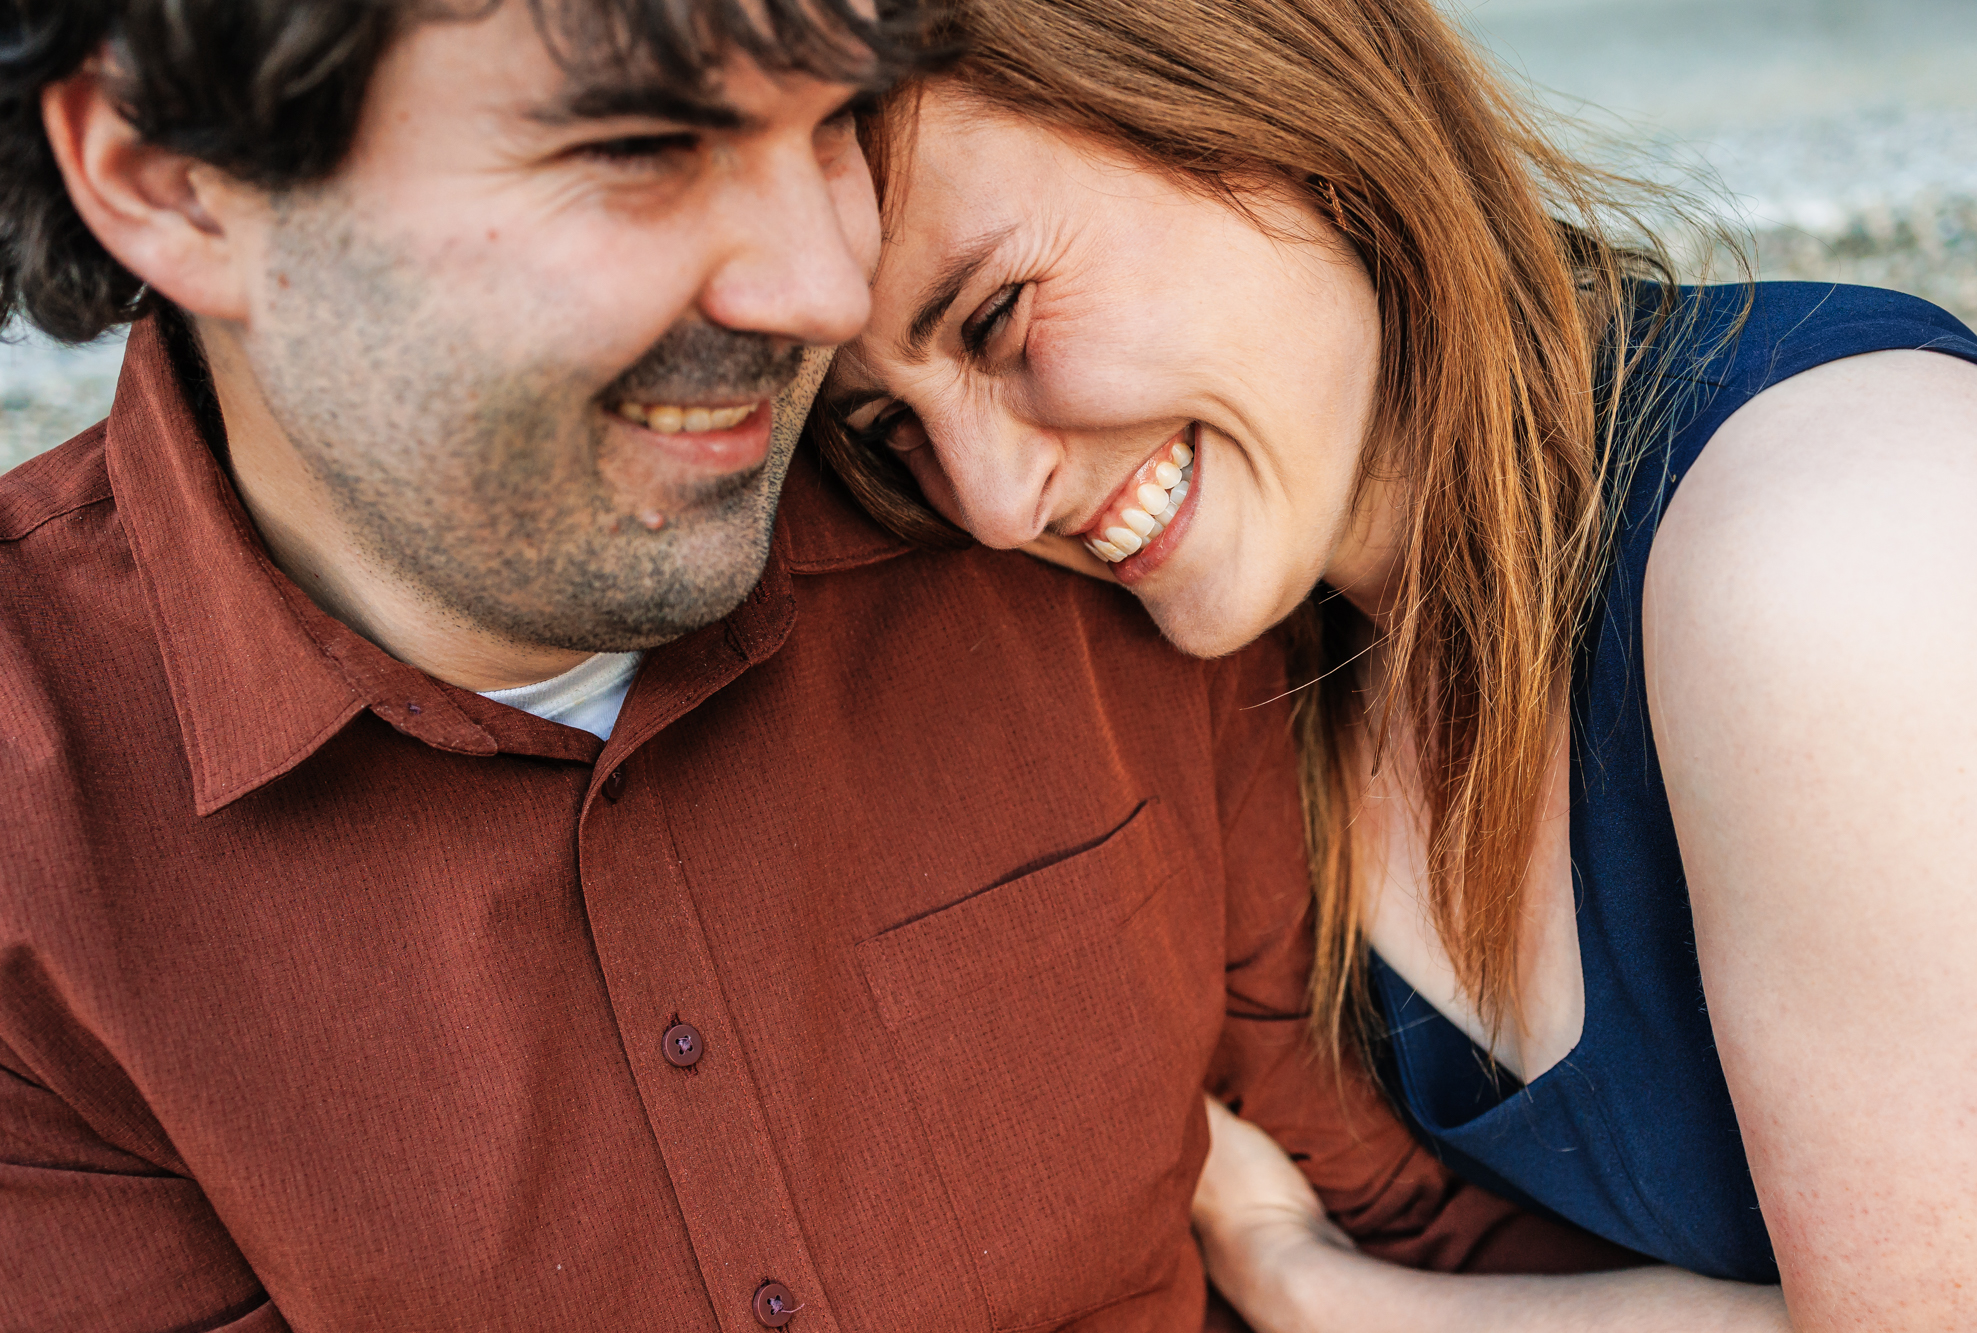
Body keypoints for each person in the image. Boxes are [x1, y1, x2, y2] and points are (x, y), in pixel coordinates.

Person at [0, 1, 1635, 1329]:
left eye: (839, 117)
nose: (824, 286)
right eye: (643, 146)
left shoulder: (1047, 526)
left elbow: (1401, 1216)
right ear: (170, 182)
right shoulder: (33, 844)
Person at [818, 0, 1977, 1327]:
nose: (988, 500)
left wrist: (1320, 1291)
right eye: (889, 427)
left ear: (1269, 109)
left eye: (994, 318)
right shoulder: (1302, 670)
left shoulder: (1846, 540)